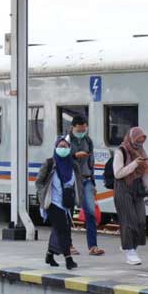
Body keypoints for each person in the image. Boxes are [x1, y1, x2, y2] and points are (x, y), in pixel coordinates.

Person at [36, 139, 84, 270]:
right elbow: (39, 182)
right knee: (64, 230)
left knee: (58, 230)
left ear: (69, 149)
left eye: (65, 146)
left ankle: (49, 255)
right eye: (60, 146)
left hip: (68, 203)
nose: (63, 149)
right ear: (55, 147)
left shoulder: (73, 165)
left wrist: (79, 198)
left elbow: (78, 182)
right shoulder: (49, 163)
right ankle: (69, 259)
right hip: (53, 202)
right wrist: (43, 195)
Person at [113, 127, 148, 265]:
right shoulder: (121, 151)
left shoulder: (141, 152)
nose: (139, 144)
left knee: (141, 221)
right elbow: (118, 173)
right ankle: (130, 251)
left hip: (138, 189)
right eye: (137, 141)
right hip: (123, 188)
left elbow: (145, 173)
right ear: (131, 138)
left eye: (142, 141)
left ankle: (131, 246)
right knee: (129, 221)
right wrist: (134, 164)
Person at [65, 115, 104, 256]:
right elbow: (59, 159)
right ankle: (68, 245)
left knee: (90, 212)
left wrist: (93, 182)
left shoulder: (88, 141)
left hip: (86, 179)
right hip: (70, 180)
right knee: (68, 212)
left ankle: (93, 246)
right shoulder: (65, 141)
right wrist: (74, 156)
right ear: (72, 127)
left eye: (84, 129)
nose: (82, 132)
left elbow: (91, 163)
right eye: (79, 130)